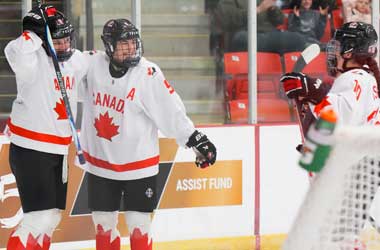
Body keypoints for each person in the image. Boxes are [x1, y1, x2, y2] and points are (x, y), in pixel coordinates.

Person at [78, 19, 217, 250]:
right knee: (103, 225)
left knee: (139, 226)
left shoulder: (148, 73)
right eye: (124, 44)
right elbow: (64, 70)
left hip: (138, 167)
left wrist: (195, 139)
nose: (131, 48)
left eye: (133, 42)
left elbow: (171, 111)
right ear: (109, 46)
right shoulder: (92, 63)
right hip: (101, 166)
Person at [280, 21, 380, 247]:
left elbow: (339, 116)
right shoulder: (365, 79)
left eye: (339, 45)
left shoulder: (355, 78)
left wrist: (313, 90)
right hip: (361, 168)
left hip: (352, 172)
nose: (333, 50)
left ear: (352, 49)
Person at [3, 4, 87, 250]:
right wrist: (31, 31)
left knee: (50, 219)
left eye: (66, 39)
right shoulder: (31, 60)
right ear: (42, 39)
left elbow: (93, 71)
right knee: (36, 221)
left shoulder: (77, 60)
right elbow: (14, 51)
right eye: (57, 41)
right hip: (32, 148)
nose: (64, 46)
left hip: (59, 150)